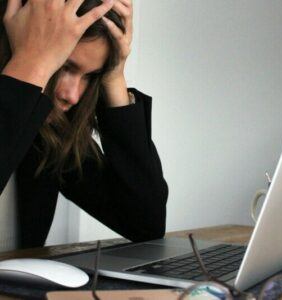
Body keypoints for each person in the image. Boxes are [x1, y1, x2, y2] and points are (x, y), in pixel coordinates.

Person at [0, 0, 168, 248]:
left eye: (90, 76)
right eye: (65, 65)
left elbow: (145, 224)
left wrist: (114, 77)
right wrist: (31, 62)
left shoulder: (50, 134)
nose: (73, 96)